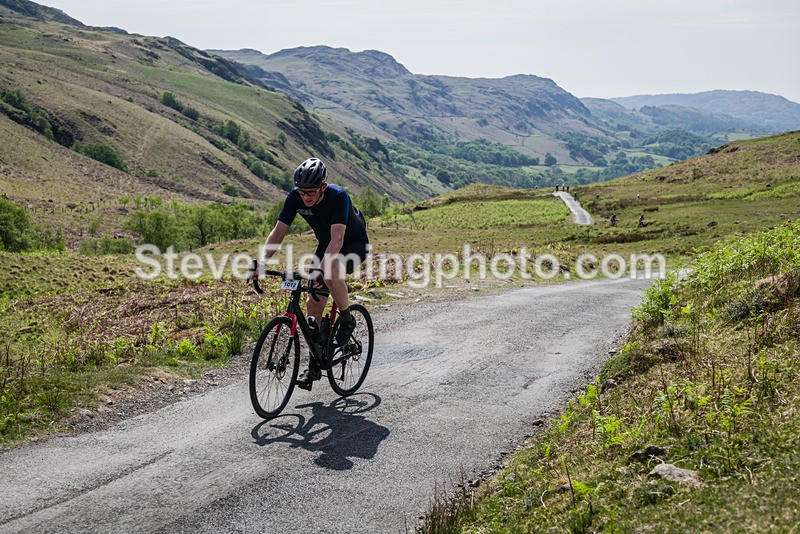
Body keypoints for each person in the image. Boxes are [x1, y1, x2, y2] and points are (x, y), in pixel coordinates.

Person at [257, 157, 369, 389]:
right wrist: (261, 263)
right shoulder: (295, 197)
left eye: (311, 193)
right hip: (327, 244)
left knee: (329, 274)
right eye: (302, 192)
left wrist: (321, 270)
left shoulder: (338, 196)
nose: (305, 198)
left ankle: (347, 319)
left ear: (323, 188)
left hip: (353, 243)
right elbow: (278, 233)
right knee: (312, 303)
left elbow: (338, 239)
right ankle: (315, 364)